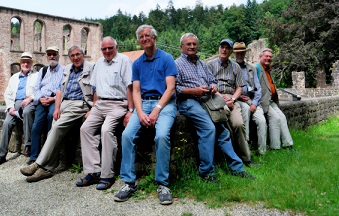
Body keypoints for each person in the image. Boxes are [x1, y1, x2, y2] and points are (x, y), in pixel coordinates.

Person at [175, 33, 254, 182]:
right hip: (188, 101)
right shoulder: (176, 63)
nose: (192, 47)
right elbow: (174, 88)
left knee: (223, 131)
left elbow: (213, 81)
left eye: (194, 44)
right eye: (188, 44)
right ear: (181, 47)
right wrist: (195, 91)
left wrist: (212, 87)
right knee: (208, 129)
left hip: (207, 99)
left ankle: (237, 168)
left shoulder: (202, 64)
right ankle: (206, 173)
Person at [114, 25, 178, 205]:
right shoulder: (137, 63)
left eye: (147, 35)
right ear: (138, 40)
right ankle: (129, 182)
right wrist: (139, 112)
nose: (144, 39)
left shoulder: (166, 58)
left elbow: (171, 88)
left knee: (162, 136)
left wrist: (157, 109)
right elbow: (136, 91)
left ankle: (162, 184)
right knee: (127, 135)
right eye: (141, 37)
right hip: (143, 103)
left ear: (154, 37)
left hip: (164, 103)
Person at [20, 45, 95, 182]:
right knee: (51, 131)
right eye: (72, 55)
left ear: (83, 55)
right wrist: (57, 108)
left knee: (56, 128)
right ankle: (48, 169)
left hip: (79, 104)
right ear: (69, 57)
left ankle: (38, 164)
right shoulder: (68, 69)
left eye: (78, 54)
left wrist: (93, 108)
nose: (75, 58)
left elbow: (96, 88)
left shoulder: (91, 67)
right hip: (64, 103)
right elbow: (60, 89)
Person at [77, 37, 133, 190]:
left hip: (118, 103)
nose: (107, 51)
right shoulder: (99, 63)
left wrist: (130, 111)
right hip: (100, 103)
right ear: (101, 50)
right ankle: (94, 171)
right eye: (104, 49)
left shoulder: (124, 61)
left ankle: (107, 175)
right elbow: (95, 88)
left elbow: (130, 87)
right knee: (85, 129)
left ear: (116, 47)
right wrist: (93, 107)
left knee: (106, 130)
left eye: (110, 48)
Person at [207, 39, 257, 167]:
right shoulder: (210, 65)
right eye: (222, 47)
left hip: (231, 98)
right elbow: (208, 86)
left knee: (239, 124)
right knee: (226, 120)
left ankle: (246, 158)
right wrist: (221, 98)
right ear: (219, 49)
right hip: (215, 97)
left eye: (227, 48)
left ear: (231, 52)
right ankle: (232, 156)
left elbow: (240, 87)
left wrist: (233, 99)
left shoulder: (235, 67)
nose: (224, 50)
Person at [0, 52, 38, 166]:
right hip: (15, 103)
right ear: (20, 64)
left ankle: (28, 145)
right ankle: (2, 154)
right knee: (7, 123)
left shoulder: (36, 75)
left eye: (28, 62)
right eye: (23, 62)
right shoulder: (14, 77)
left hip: (29, 101)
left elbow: (39, 91)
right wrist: (10, 108)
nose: (25, 64)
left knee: (27, 112)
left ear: (31, 64)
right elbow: (7, 94)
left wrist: (30, 98)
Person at [28, 46, 65, 165]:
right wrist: (40, 99)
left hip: (54, 100)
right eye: (49, 54)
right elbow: (36, 88)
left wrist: (53, 99)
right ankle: (34, 157)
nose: (52, 56)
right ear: (47, 56)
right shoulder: (43, 71)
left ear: (58, 55)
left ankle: (47, 155)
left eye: (54, 54)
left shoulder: (64, 70)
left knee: (51, 117)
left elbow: (64, 89)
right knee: (35, 127)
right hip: (42, 101)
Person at [257, 48, 296, 151]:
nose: (268, 58)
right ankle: (275, 147)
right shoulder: (256, 68)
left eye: (270, 56)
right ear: (260, 57)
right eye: (266, 56)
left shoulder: (268, 69)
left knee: (282, 118)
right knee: (275, 118)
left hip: (271, 101)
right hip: (262, 102)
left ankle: (288, 145)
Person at [232, 42, 267, 155]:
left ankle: (262, 152)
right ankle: (246, 149)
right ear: (234, 54)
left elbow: (258, 88)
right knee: (245, 115)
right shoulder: (230, 67)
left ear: (245, 54)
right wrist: (236, 96)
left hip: (251, 100)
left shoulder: (251, 68)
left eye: (242, 53)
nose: (240, 55)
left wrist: (254, 103)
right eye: (237, 53)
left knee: (261, 121)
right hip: (238, 100)